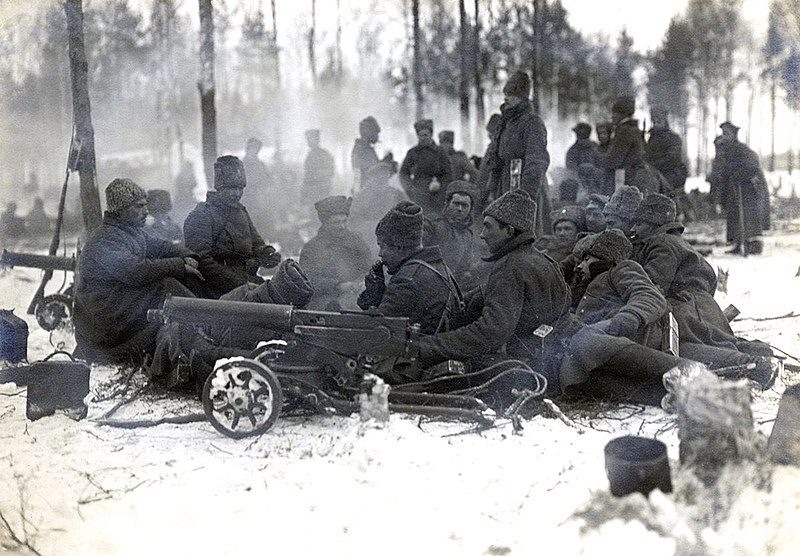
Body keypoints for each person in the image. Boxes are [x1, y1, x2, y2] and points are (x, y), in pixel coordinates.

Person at [415, 189, 691, 402]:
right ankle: (711, 393)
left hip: (559, 362)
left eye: (488, 226)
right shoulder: (537, 259)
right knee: (663, 390)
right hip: (573, 353)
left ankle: (711, 388)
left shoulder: (512, 266)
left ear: (509, 230)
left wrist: (428, 346)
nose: (483, 234)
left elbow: (491, 331)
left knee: (674, 377)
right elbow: (496, 299)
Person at [630, 193, 775, 385]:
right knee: (714, 341)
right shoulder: (674, 241)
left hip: (685, 309)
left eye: (639, 224)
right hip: (702, 307)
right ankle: (753, 352)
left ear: (653, 223)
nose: (634, 229)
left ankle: (753, 364)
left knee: (682, 349)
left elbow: (653, 286)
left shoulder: (662, 244)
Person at [73, 178, 203, 364]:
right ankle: (206, 326)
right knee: (166, 285)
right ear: (121, 209)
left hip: (117, 306)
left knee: (177, 280)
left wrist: (188, 255)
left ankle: (202, 326)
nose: (146, 211)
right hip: (103, 319)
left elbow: (162, 247)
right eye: (139, 206)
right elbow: (136, 271)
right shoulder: (105, 239)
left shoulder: (130, 231)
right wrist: (179, 265)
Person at [357, 201, 462, 341]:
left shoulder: (407, 280)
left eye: (382, 246)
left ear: (399, 247)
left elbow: (376, 333)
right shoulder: (439, 266)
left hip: (416, 359)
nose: (380, 254)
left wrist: (372, 299)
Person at [184, 155, 281, 299]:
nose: (236, 193)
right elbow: (201, 260)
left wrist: (267, 254)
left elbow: (256, 244)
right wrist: (240, 283)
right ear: (219, 187)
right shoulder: (203, 215)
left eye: (240, 188)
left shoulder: (240, 211)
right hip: (215, 290)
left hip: (245, 282)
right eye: (231, 188)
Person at [574, 228, 667, 350]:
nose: (579, 267)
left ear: (603, 258)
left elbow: (649, 295)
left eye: (587, 259)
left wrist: (627, 318)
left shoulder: (621, 269)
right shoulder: (592, 282)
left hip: (616, 347)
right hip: (594, 345)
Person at [483, 70, 551, 236]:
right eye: (506, 94)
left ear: (523, 98)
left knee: (524, 233)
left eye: (512, 94)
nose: (506, 98)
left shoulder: (532, 122)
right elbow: (497, 158)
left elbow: (537, 161)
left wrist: (524, 196)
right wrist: (492, 188)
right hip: (505, 185)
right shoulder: (506, 123)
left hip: (526, 187)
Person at [299, 195, 373, 311]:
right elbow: (308, 279)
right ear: (325, 223)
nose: (342, 226)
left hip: (356, 297)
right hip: (324, 301)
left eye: (344, 221)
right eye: (336, 222)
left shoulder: (356, 241)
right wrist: (338, 285)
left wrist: (362, 282)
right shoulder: (311, 248)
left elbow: (369, 267)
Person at [707, 122, 771, 255]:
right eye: (723, 133)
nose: (724, 136)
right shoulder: (724, 150)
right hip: (733, 189)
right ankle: (737, 243)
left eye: (727, 134)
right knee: (734, 216)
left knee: (749, 217)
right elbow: (720, 169)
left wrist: (740, 174)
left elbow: (753, 166)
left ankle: (753, 245)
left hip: (747, 189)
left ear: (734, 135)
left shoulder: (742, 149)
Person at [423, 180, 488, 291]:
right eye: (456, 203)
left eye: (464, 205)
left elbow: (464, 268)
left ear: (470, 209)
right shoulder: (434, 226)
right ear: (447, 204)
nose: (459, 209)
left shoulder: (468, 235)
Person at [599, 96, 666, 196]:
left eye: (614, 113)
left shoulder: (624, 130)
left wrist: (599, 160)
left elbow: (615, 159)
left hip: (627, 176)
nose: (612, 117)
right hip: (634, 174)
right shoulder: (632, 129)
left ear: (622, 115)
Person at [399, 119, 453, 215]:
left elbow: (448, 174)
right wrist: (410, 190)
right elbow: (403, 173)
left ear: (431, 135)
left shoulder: (440, 152)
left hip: (437, 196)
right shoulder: (412, 153)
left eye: (425, 135)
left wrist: (442, 190)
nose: (423, 138)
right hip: (418, 196)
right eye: (420, 135)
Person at [241, 137, 276, 238]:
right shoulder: (241, 165)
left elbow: (269, 182)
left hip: (259, 199)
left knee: (259, 224)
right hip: (246, 199)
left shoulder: (260, 165)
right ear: (248, 149)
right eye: (252, 148)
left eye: (256, 149)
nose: (254, 151)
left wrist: (266, 190)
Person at [351, 116, 396, 192]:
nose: (377, 136)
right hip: (365, 191)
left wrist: (385, 162)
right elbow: (371, 171)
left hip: (369, 190)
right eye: (376, 133)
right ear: (368, 133)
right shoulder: (361, 149)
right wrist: (386, 163)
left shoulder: (366, 148)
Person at [302, 129, 336, 204]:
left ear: (316, 139)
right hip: (320, 190)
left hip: (317, 191)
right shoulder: (320, 154)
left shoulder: (317, 155)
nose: (307, 141)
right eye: (307, 139)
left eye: (309, 138)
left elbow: (308, 176)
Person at [173, 160, 198, 224]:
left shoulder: (191, 174)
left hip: (188, 195)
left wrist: (188, 187)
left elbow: (195, 183)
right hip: (182, 195)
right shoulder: (181, 174)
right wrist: (184, 188)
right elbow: (177, 184)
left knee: (188, 209)